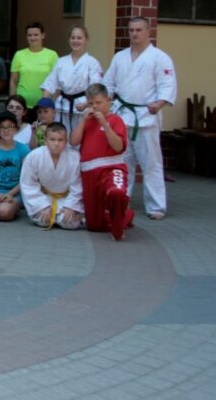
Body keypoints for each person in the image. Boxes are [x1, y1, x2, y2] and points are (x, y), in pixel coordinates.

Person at [102, 16, 176, 219]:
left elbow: (167, 85)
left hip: (146, 117)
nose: (134, 34)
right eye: (131, 30)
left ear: (148, 31)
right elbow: (108, 84)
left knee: (151, 164)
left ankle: (156, 207)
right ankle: (121, 201)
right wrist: (105, 103)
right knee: (122, 162)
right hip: (122, 115)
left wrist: (159, 103)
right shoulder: (120, 57)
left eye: (139, 30)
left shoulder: (160, 58)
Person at [71, 84, 134, 239]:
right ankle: (126, 215)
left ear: (108, 100)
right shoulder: (87, 121)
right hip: (89, 172)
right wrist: (83, 121)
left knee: (116, 192)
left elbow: (118, 147)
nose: (94, 107)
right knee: (94, 225)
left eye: (98, 103)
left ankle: (118, 230)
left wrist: (105, 125)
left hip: (111, 168)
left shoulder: (116, 120)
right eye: (91, 103)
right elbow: (73, 141)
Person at [20, 123, 84, 230]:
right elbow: (28, 184)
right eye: (52, 139)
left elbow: (78, 185)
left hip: (66, 199)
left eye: (60, 140)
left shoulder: (75, 157)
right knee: (43, 220)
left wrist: (70, 206)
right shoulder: (34, 156)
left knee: (69, 223)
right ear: (45, 140)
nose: (56, 143)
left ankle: (62, 214)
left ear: (66, 141)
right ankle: (49, 213)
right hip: (43, 197)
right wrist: (42, 205)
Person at [41, 25, 104, 133]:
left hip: (82, 108)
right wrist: (44, 106)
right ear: (69, 40)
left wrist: (85, 104)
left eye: (79, 38)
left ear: (86, 40)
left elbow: (96, 88)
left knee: (80, 138)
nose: (75, 41)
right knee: (60, 137)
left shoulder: (92, 63)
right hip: (62, 107)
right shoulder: (61, 61)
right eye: (73, 38)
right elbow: (49, 84)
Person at [9, 22, 59, 109]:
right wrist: (12, 103)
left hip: (44, 106)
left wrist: (53, 103)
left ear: (43, 35)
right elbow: (13, 81)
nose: (32, 38)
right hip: (21, 105)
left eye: (36, 35)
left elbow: (56, 81)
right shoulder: (19, 55)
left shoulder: (52, 55)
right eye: (29, 35)